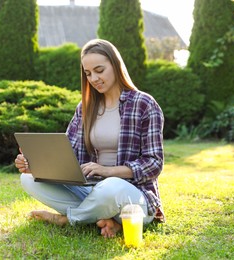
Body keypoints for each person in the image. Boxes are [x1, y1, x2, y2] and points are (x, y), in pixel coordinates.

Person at [14, 39, 165, 238]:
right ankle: (105, 218)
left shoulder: (144, 104)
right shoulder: (85, 108)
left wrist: (108, 171)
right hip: (92, 190)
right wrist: (36, 166)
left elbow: (154, 163)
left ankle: (68, 219)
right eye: (88, 73)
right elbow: (69, 155)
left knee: (111, 186)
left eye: (99, 70)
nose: (94, 78)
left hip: (133, 196)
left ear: (116, 65)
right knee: (28, 180)